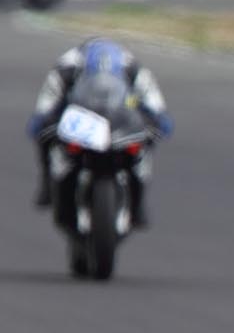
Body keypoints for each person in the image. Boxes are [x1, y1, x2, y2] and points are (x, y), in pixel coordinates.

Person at [26, 38, 172, 226]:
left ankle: (138, 201)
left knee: (145, 141)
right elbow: (46, 106)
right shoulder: (65, 68)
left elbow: (153, 103)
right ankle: (47, 182)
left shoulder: (133, 68)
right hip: (78, 115)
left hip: (120, 118)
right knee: (45, 137)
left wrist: (157, 119)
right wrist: (44, 122)